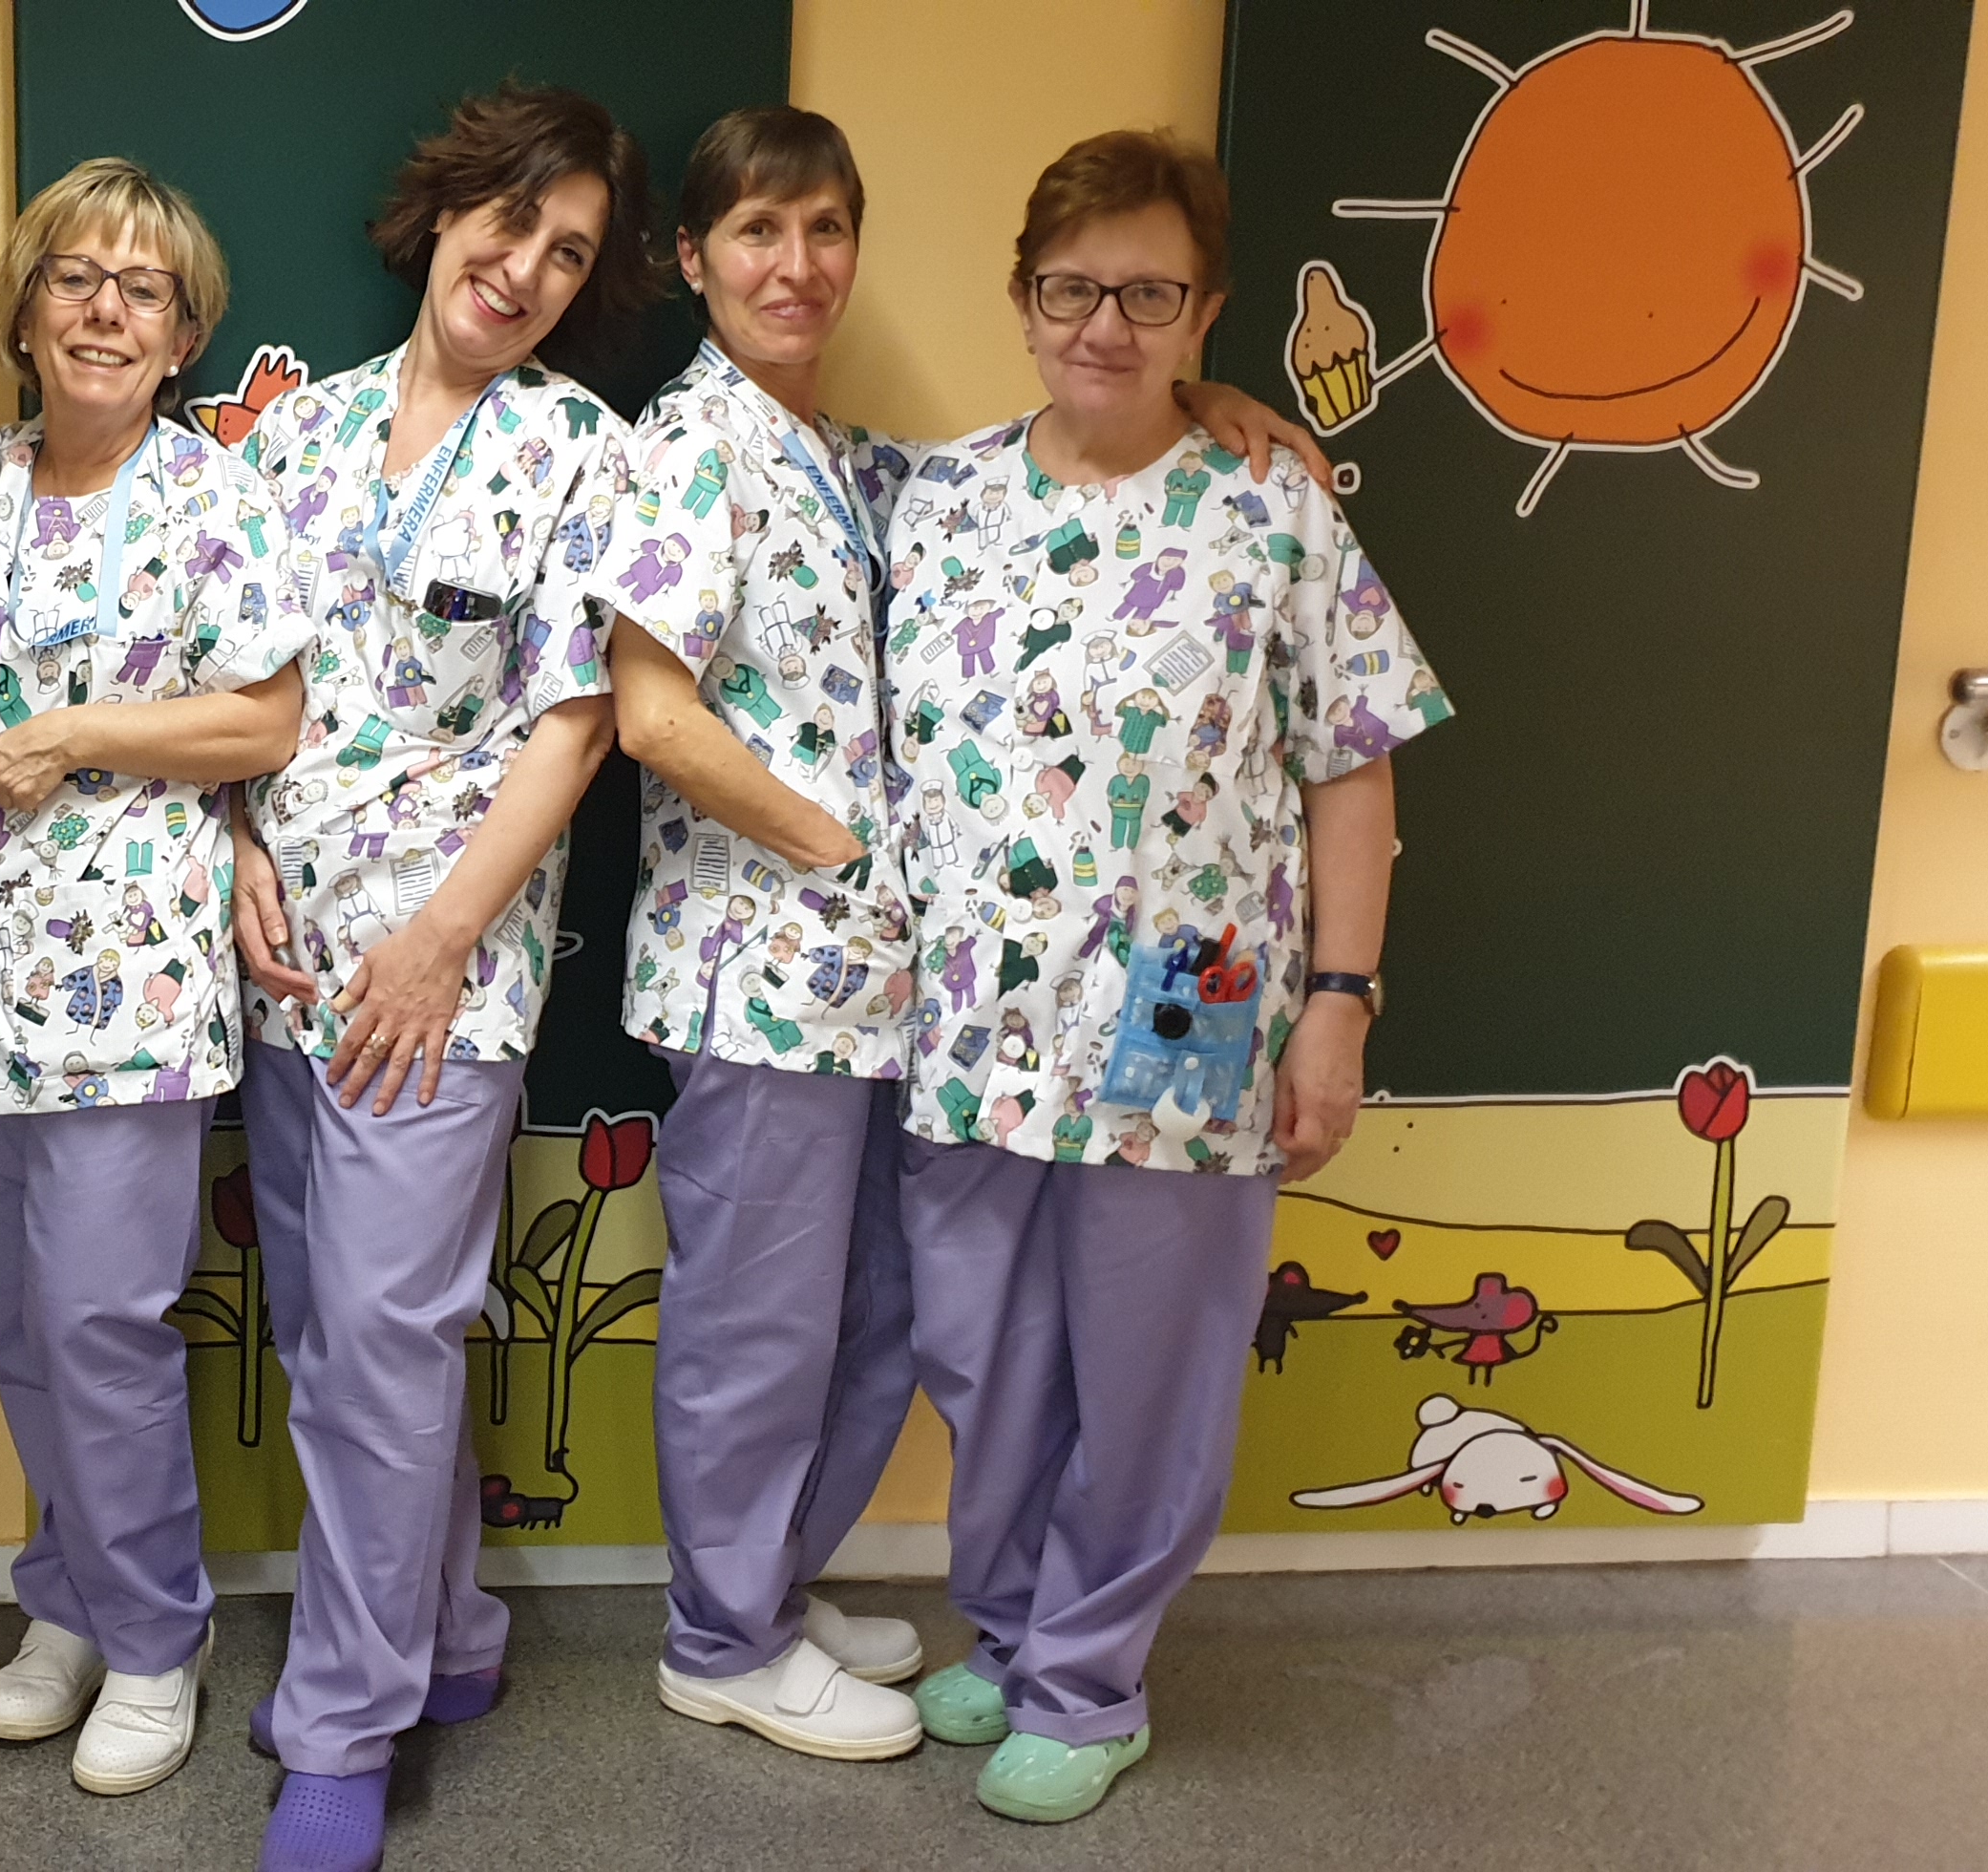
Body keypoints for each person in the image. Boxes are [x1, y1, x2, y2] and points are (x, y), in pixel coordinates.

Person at [603, 106, 1330, 1765]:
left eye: (826, 229)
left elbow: (1099, 461)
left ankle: (778, 1591)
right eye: (758, 231)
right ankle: (722, 1637)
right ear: (695, 259)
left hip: (926, 1001)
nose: (797, 265)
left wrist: (1202, 402)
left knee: (878, 1318)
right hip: (769, 975)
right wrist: (844, 852)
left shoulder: (891, 476)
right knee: (762, 1329)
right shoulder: (689, 446)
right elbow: (653, 714)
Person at [881, 128, 1447, 1824]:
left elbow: (1352, 767)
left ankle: (1089, 1678)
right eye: (1074, 289)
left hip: (1189, 1000)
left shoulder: (1276, 505)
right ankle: (1013, 1628)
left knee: (1149, 1369)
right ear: (1022, 297)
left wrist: (1339, 1003)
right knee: (985, 1355)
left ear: (1206, 309)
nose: (1104, 326)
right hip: (976, 1013)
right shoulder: (939, 498)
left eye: (1148, 294)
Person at [0, 157, 313, 1799]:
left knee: (104, 1324)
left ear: (181, 338)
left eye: (144, 290)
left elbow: (265, 719)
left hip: (133, 996)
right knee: (25, 1325)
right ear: (26, 312)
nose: (108, 310)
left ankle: (157, 1636)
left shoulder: (212, 500)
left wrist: (73, 737)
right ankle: (68, 1599)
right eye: (76, 279)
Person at [221, 83, 642, 1872]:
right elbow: (230, 683)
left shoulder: (579, 450)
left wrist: (442, 937)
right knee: (342, 1338)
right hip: (284, 956)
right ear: (448, 211)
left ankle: (344, 1724)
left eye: (572, 255)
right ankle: (452, 1633)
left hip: (443, 972)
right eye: (513, 222)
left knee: (385, 1342)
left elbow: (577, 726)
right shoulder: (295, 437)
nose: (528, 269)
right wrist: (237, 841)